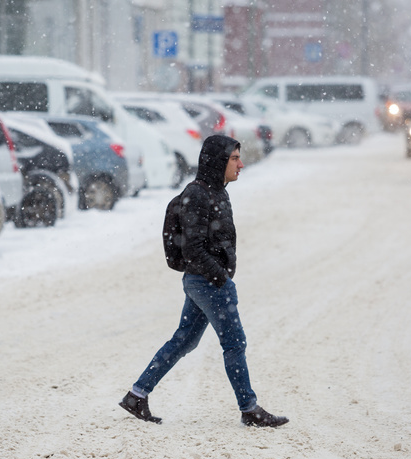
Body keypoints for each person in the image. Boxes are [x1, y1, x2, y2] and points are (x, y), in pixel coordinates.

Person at [119, 134, 289, 428]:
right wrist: (221, 278)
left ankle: (137, 394)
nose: (241, 164)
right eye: (235, 158)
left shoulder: (215, 190)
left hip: (201, 281)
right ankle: (249, 408)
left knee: (183, 341)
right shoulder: (198, 194)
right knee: (235, 343)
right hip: (208, 283)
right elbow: (193, 248)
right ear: (218, 160)